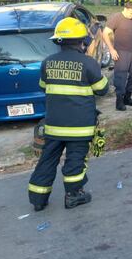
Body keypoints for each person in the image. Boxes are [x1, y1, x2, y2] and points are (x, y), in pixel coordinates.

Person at [27, 18, 109, 211]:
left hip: (54, 125)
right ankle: (73, 195)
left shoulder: (47, 63)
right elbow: (102, 89)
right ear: (83, 42)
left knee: (47, 160)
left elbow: (43, 87)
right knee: (75, 160)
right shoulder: (88, 63)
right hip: (80, 126)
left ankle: (38, 199)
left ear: (58, 42)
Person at [102, 1, 132, 111]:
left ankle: (128, 97)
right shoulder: (116, 18)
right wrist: (112, 50)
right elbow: (105, 33)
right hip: (121, 52)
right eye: (131, 13)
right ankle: (119, 101)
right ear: (125, 9)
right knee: (121, 76)